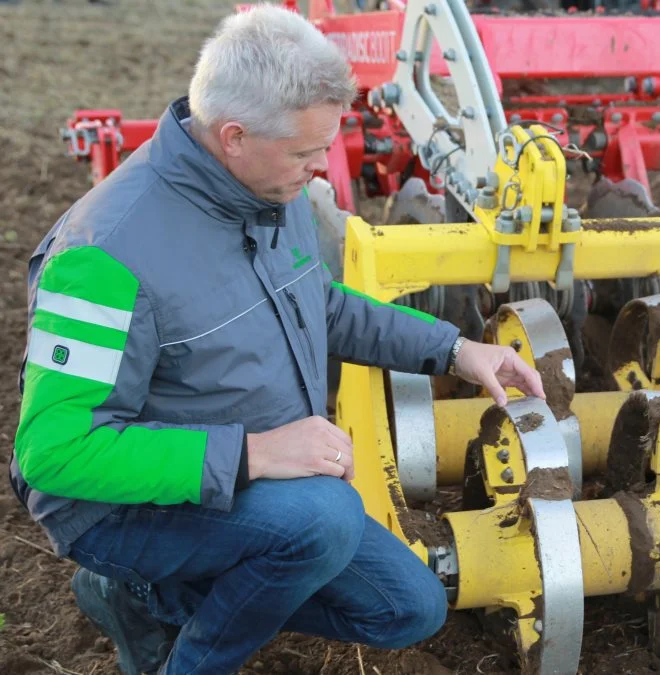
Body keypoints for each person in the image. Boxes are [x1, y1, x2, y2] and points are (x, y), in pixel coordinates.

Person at [9, 5, 545, 673]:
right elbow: (53, 458)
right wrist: (254, 454)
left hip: (251, 489)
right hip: (124, 508)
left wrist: (457, 350)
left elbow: (319, 303)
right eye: (305, 151)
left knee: (408, 607)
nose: (322, 168)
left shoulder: (271, 195)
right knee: (323, 518)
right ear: (234, 136)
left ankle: (144, 596)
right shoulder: (104, 254)